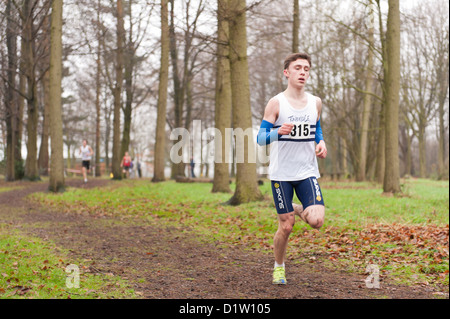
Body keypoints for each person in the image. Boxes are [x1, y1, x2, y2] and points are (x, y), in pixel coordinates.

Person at [256, 52, 328, 285]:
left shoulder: (315, 102)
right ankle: (279, 267)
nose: (303, 72)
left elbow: (316, 128)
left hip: (307, 170)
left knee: (317, 221)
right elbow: (260, 138)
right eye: (298, 68)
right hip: (281, 174)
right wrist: (278, 132)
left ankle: (297, 208)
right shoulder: (277, 103)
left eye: (306, 69)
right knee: (286, 226)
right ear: (287, 72)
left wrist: (321, 141)